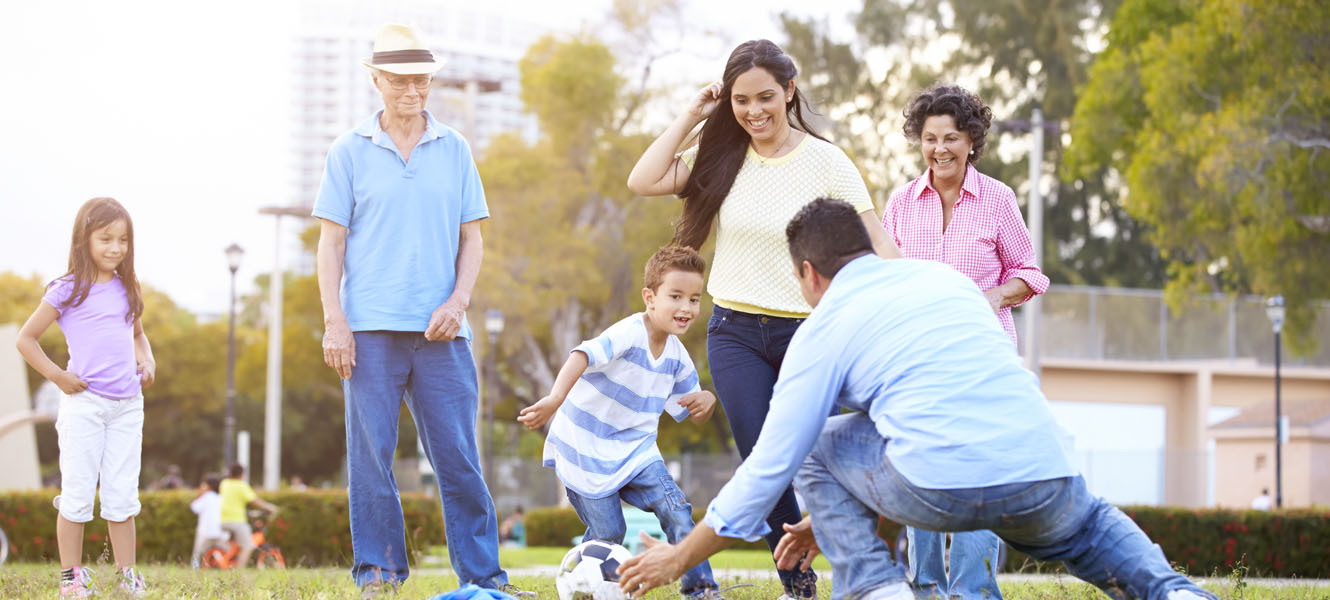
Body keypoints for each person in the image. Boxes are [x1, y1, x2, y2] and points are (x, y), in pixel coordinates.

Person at [617, 198, 1216, 600]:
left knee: (817, 443)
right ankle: (1173, 591)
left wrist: (678, 557)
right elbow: (928, 414)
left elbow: (769, 467)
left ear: (808, 273)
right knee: (1091, 526)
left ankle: (878, 589)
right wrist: (817, 521)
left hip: (937, 486)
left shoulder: (823, 328)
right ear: (868, 249)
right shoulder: (947, 282)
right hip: (1044, 474)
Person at [625, 39, 900, 598]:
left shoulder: (827, 160)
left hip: (812, 331)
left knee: (833, 451)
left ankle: (866, 569)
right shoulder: (721, 154)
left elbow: (879, 243)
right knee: (762, 457)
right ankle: (798, 585)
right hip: (736, 332)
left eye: (766, 97)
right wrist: (691, 115)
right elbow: (643, 179)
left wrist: (903, 304)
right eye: (741, 100)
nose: (754, 111)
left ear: (790, 91)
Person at [312, 23, 520, 597]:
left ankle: (484, 579)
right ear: (376, 79)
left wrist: (458, 301)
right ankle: (378, 575)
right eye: (400, 80)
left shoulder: (453, 148)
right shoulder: (348, 151)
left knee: (459, 459)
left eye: (421, 80)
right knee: (371, 460)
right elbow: (330, 244)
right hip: (368, 330)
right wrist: (335, 321)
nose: (412, 90)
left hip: (442, 333)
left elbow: (471, 239)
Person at [881, 83, 1052, 599]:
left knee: (979, 474)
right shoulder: (902, 203)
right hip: (918, 359)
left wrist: (998, 294)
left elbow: (1030, 272)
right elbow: (883, 277)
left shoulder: (997, 199)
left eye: (951, 138)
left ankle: (973, 590)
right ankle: (926, 586)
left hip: (983, 357)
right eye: (930, 138)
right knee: (924, 473)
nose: (940, 149)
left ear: (971, 140)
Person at [518, 246, 721, 599]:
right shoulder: (629, 333)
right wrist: (554, 399)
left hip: (636, 449)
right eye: (675, 296)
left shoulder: (676, 356)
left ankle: (701, 589)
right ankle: (584, 587)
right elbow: (582, 354)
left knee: (678, 511)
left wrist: (708, 399)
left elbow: (693, 400)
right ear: (650, 298)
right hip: (585, 446)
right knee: (609, 532)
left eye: (693, 299)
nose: (686, 308)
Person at [15, 197, 154, 597]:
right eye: (106, 238)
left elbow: (138, 335)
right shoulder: (66, 290)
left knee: (122, 493)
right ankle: (71, 577)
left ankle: (128, 575)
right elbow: (26, 340)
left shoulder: (129, 287)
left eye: (123, 240)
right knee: (76, 492)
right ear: (84, 239)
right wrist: (58, 377)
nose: (116, 248)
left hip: (128, 406)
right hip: (85, 406)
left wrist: (148, 361)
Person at [219, 463, 278, 569]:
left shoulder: (224, 483)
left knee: (236, 544)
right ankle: (238, 571)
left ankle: (228, 562)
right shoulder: (241, 486)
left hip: (223, 520)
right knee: (248, 546)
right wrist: (270, 508)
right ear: (242, 474)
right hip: (236, 520)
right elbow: (255, 501)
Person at [189, 475, 224, 568]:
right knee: (220, 552)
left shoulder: (206, 497)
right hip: (219, 531)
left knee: (198, 553)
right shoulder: (221, 498)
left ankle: (194, 567)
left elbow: (194, 507)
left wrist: (200, 494)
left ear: (208, 485)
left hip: (205, 531)